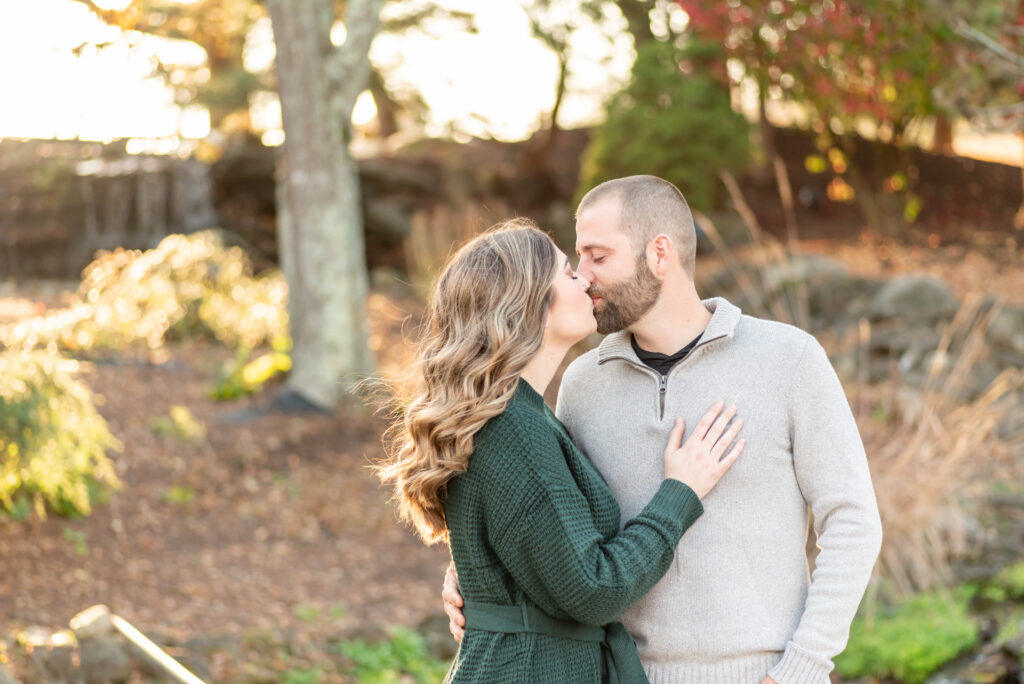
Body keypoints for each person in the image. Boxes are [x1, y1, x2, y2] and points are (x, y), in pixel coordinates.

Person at [443, 176, 884, 684]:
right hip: (623, 676)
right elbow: (551, 525)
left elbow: (852, 522)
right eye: (577, 261)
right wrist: (478, 575)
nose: (583, 276)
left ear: (659, 254)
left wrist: (802, 668)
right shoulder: (583, 383)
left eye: (597, 257)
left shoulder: (789, 359)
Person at [376, 219, 747, 683]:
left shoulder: (521, 416)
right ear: (529, 303)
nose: (587, 278)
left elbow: (532, 545)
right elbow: (594, 589)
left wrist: (477, 581)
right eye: (569, 273)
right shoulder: (513, 427)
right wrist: (680, 492)